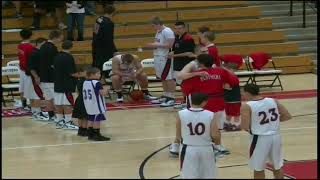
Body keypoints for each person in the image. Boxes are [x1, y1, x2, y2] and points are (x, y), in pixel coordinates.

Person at [170, 54, 233, 157]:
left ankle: (177, 144)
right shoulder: (221, 71)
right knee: (216, 128)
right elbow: (229, 85)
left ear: (199, 63)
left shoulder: (195, 75)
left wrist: (192, 68)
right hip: (219, 103)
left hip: (201, 105)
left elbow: (184, 87)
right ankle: (219, 146)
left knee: (186, 125)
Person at [240, 83, 292, 179]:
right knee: (277, 166)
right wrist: (271, 123)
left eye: (243, 92)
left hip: (259, 138)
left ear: (247, 93)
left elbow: (245, 126)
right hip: (276, 137)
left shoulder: (247, 106)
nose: (242, 95)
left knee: (258, 168)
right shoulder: (273, 100)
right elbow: (287, 116)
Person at [176, 93, 220, 179]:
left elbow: (178, 135)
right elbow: (215, 135)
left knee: (189, 176)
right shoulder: (210, 114)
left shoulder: (181, 113)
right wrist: (218, 146)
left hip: (188, 149)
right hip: (206, 148)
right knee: (208, 176)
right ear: (204, 102)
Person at [146, 16, 176, 107]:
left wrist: (156, 45)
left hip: (165, 57)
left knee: (169, 77)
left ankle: (171, 98)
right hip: (158, 56)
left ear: (158, 24)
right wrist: (153, 45)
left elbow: (170, 45)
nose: (153, 28)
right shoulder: (158, 31)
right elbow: (158, 44)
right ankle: (166, 95)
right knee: (163, 77)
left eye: (153, 26)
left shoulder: (167, 31)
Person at [168, 21, 196, 109]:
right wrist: (173, 52)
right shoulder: (176, 37)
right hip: (177, 64)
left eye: (180, 28)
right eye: (176, 29)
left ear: (184, 28)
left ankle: (188, 102)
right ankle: (185, 101)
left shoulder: (188, 38)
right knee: (181, 84)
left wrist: (174, 55)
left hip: (185, 64)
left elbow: (189, 53)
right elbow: (177, 49)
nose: (178, 30)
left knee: (186, 83)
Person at [38, 30, 64, 122]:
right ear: (55, 37)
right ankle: (59, 117)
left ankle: (51, 116)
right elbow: (54, 64)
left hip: (44, 76)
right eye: (61, 38)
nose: (61, 40)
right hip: (51, 77)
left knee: (48, 98)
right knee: (56, 98)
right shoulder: (52, 48)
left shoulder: (43, 46)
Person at [53, 40, 79, 130]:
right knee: (67, 104)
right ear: (71, 47)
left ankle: (59, 121)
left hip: (57, 83)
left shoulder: (57, 56)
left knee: (58, 103)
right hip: (67, 84)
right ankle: (68, 122)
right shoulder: (69, 57)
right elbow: (71, 73)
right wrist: (80, 75)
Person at [83, 67, 111, 141]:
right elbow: (103, 93)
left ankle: (90, 134)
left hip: (88, 104)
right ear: (92, 74)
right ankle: (96, 135)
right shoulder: (96, 83)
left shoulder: (85, 82)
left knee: (91, 119)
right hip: (96, 105)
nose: (100, 75)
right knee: (97, 120)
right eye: (98, 73)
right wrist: (107, 88)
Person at [92, 4, 118, 78]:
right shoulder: (109, 23)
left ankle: (96, 81)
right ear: (113, 12)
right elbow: (109, 39)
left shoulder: (98, 19)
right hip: (104, 48)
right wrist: (114, 50)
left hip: (95, 45)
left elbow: (95, 32)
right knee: (106, 66)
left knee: (97, 65)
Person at [28, 37, 50, 121]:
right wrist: (36, 77)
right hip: (36, 77)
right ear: (40, 43)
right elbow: (31, 68)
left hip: (36, 76)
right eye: (45, 44)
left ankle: (35, 112)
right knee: (37, 95)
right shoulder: (35, 53)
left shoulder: (38, 52)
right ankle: (37, 113)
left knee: (36, 95)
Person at [17, 28, 35, 111]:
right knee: (30, 89)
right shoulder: (30, 47)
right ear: (31, 36)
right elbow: (30, 60)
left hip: (21, 70)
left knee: (22, 87)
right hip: (28, 70)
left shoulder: (19, 45)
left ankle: (24, 105)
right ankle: (32, 107)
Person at [223, 62, 241, 131]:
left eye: (226, 70)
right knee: (230, 113)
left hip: (233, 99)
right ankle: (229, 124)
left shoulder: (233, 77)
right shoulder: (229, 77)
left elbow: (228, 87)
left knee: (234, 113)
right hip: (230, 98)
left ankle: (234, 125)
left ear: (232, 69)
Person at [72, 67, 88, 136]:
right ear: (80, 73)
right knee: (85, 116)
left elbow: (77, 91)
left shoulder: (78, 81)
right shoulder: (85, 81)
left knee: (80, 116)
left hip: (79, 99)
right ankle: (84, 130)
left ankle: (80, 130)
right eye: (86, 72)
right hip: (84, 100)